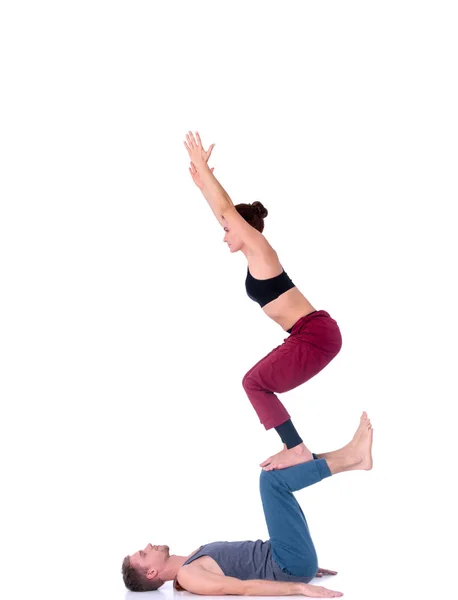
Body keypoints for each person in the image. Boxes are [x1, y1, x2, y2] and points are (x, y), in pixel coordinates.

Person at [184, 131, 343, 470]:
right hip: (310, 334)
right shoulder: (254, 258)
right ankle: (297, 448)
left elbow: (228, 212)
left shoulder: (262, 251)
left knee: (254, 383)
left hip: (314, 335)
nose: (223, 235)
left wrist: (205, 170)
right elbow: (224, 213)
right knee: (256, 382)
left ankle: (295, 448)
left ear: (243, 229)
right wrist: (202, 187)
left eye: (227, 230)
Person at [122, 412, 373, 596]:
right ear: (152, 574)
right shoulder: (189, 576)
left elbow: (249, 562)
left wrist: (306, 565)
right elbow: (244, 588)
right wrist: (298, 585)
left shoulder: (192, 558)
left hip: (288, 558)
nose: (148, 545)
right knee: (271, 480)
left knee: (276, 477)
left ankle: (351, 455)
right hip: (288, 564)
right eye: (144, 554)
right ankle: (353, 458)